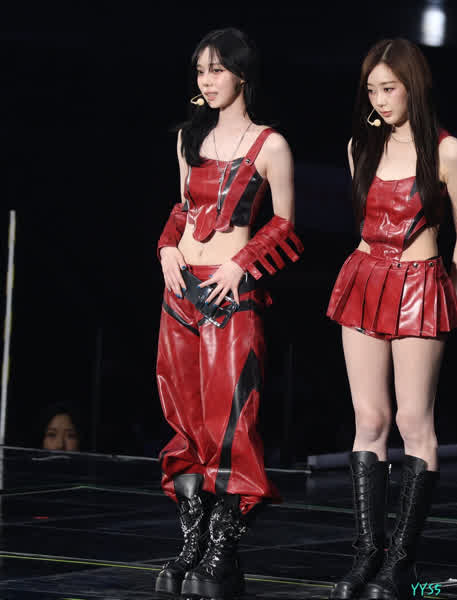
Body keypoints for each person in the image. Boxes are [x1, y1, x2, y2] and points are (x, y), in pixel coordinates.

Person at [154, 28, 303, 600]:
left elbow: (285, 224)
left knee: (231, 423)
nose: (207, 80)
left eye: (217, 69)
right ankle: (192, 546)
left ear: (242, 73)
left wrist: (242, 264)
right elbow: (182, 209)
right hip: (180, 291)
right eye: (200, 71)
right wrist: (166, 248)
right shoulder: (189, 137)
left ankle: (223, 550)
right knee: (185, 420)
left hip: (230, 295)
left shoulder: (271, 144)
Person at [327, 39, 457, 600]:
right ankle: (366, 556)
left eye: (390, 88)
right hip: (364, 277)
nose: (379, 100)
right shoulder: (362, 145)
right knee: (369, 417)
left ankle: (401, 562)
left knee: (413, 420)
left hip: (420, 284)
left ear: (413, 86)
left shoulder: (447, 151)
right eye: (372, 90)